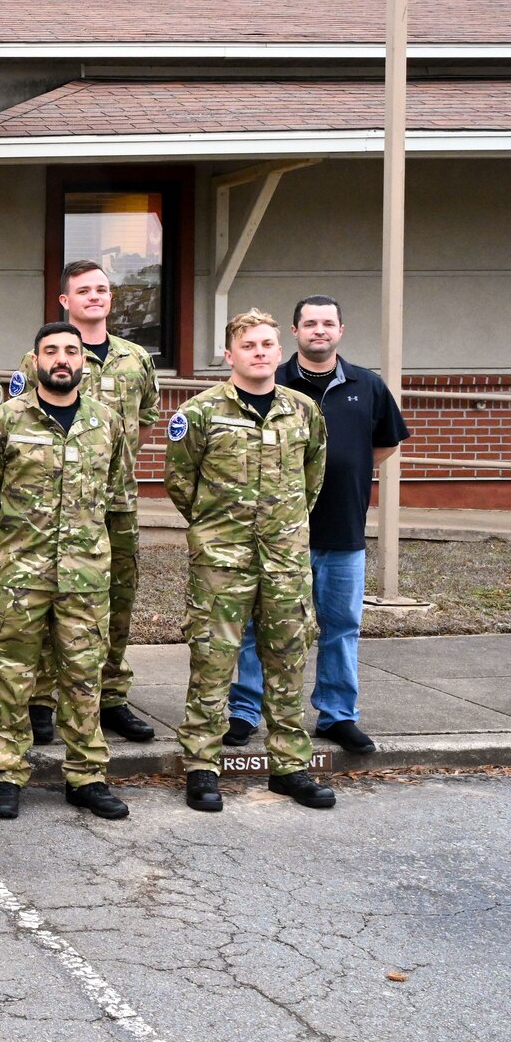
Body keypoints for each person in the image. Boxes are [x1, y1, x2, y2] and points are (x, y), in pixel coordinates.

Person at [165, 310, 335, 813]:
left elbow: (313, 477)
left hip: (284, 560)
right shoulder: (198, 413)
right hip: (221, 560)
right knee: (213, 660)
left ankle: (289, 767)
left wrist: (283, 527)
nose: (259, 352)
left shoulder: (303, 411)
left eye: (267, 344)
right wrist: (215, 529)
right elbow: (180, 483)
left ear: (279, 351)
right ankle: (202, 766)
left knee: (288, 660)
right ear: (229, 355)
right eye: (249, 345)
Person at [225, 295, 407, 755]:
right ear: (295, 331)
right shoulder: (272, 380)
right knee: (259, 625)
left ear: (341, 330)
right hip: (278, 535)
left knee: (341, 624)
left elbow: (383, 445)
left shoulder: (368, 385)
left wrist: (344, 469)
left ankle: (337, 714)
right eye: (310, 323)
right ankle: (246, 711)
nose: (319, 330)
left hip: (343, 529)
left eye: (328, 323)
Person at [0, 323, 133, 821]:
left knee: (84, 676)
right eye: (51, 351)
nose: (61, 359)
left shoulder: (107, 422)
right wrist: (17, 544)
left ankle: (86, 777)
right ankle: (6, 772)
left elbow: (117, 493)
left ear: (83, 360)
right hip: (20, 574)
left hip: (85, 577)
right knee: (12, 677)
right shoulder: (2, 421)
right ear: (35, 359)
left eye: (71, 351)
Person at [18, 261, 160, 747]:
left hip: (114, 503)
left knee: (116, 602)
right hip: (50, 510)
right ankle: (41, 699)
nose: (95, 297)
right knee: (44, 601)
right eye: (83, 290)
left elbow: (140, 427)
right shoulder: (36, 357)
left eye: (102, 289)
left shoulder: (135, 358)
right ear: (65, 300)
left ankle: (110, 696)